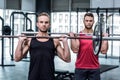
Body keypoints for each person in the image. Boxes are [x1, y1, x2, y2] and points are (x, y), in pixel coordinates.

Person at [14, 12, 71, 80]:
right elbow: (17, 58)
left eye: (46, 22)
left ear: (49, 24)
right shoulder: (30, 41)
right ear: (37, 24)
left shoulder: (54, 41)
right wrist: (20, 42)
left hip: (49, 78)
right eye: (41, 22)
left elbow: (67, 59)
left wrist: (65, 43)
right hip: (33, 77)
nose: (44, 24)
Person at [69, 13, 108, 80]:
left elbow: (104, 51)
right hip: (80, 67)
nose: (88, 23)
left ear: (93, 22)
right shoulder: (79, 35)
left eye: (90, 21)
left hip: (94, 68)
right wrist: (72, 37)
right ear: (84, 21)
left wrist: (105, 38)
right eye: (86, 21)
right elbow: (75, 50)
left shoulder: (97, 36)